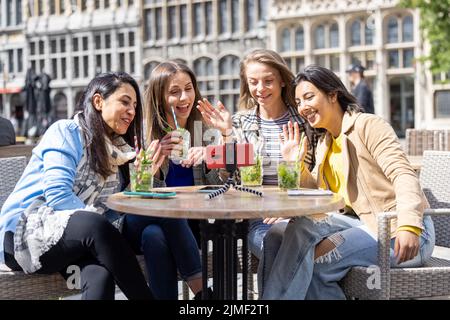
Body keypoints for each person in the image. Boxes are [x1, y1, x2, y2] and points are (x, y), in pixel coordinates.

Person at [258, 65, 435, 299]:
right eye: (299, 101)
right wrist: (295, 164)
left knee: (316, 263)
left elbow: (403, 174)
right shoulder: (325, 143)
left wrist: (409, 225)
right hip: (360, 224)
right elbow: (319, 196)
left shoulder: (368, 126)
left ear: (333, 94)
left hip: (396, 229)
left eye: (309, 97)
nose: (302, 107)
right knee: (276, 234)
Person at [0, 72, 155, 300]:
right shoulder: (66, 131)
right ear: (98, 101)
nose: (132, 111)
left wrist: (147, 176)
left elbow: (112, 211)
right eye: (124, 101)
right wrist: (101, 227)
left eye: (134, 105)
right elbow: (58, 194)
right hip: (24, 233)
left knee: (100, 274)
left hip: (75, 237)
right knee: (95, 224)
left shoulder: (119, 151)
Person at [197, 49, 319, 259]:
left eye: (268, 81)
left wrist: (289, 211)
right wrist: (226, 135)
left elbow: (316, 179)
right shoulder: (239, 123)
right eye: (253, 82)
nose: (260, 89)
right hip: (257, 218)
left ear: (282, 80)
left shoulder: (305, 123)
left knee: (286, 250)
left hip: (300, 215)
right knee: (275, 248)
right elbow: (226, 181)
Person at [121, 61, 220, 300]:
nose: (184, 97)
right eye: (174, 92)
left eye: (189, 88)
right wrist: (152, 170)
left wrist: (210, 156)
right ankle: (205, 295)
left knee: (154, 237)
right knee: (166, 208)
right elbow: (130, 196)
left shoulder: (205, 130)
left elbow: (221, 188)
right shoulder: (140, 136)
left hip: (189, 227)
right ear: (159, 97)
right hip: (137, 221)